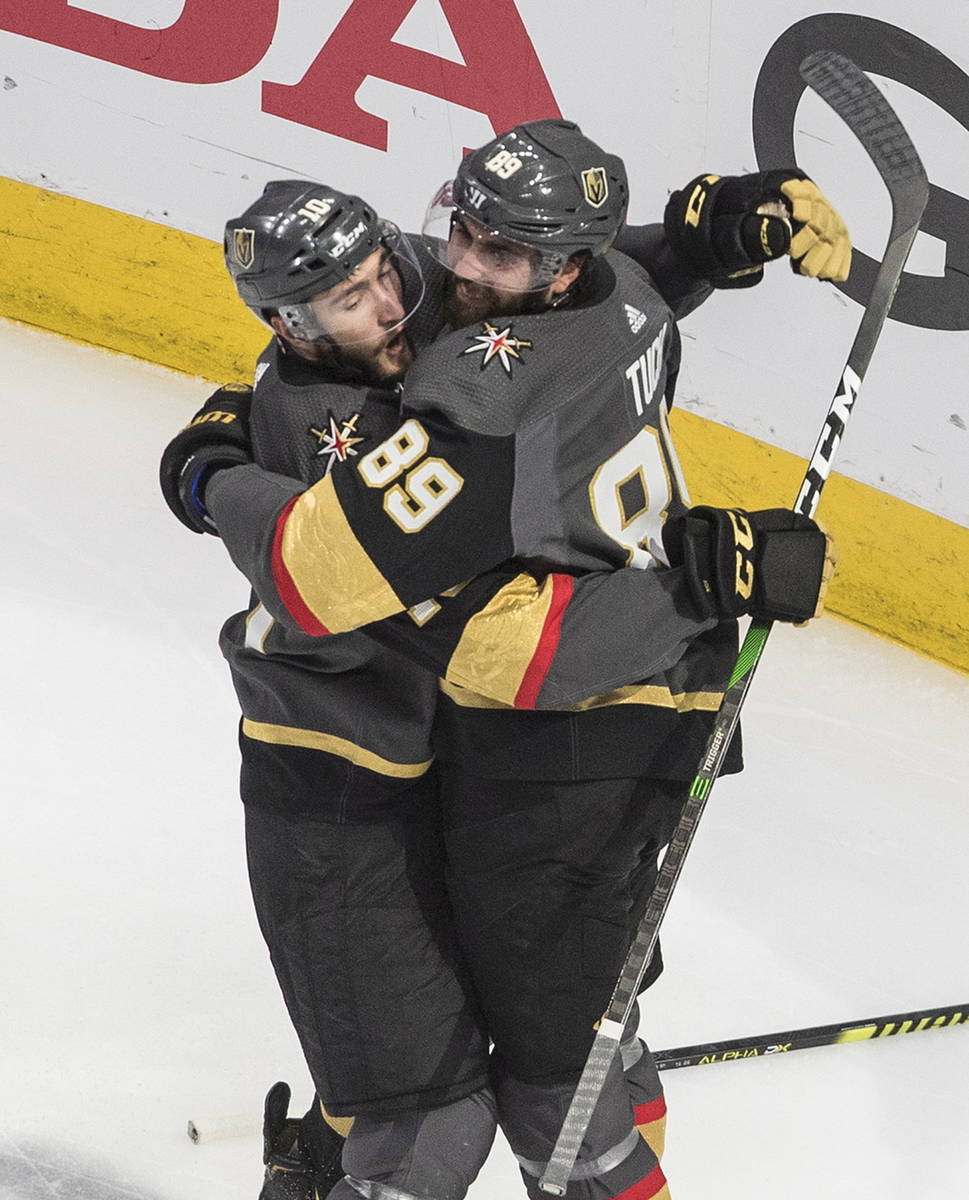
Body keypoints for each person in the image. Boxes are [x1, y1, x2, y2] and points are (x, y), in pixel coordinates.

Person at [162, 121, 846, 1200]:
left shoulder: (456, 302)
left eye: (391, 268)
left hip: (487, 752)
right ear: (290, 323)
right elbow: (439, 625)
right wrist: (204, 469)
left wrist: (699, 243)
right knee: (431, 1122)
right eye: (349, 300)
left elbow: (584, 294)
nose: (405, 301)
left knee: (562, 1060)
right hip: (341, 770)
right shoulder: (396, 417)